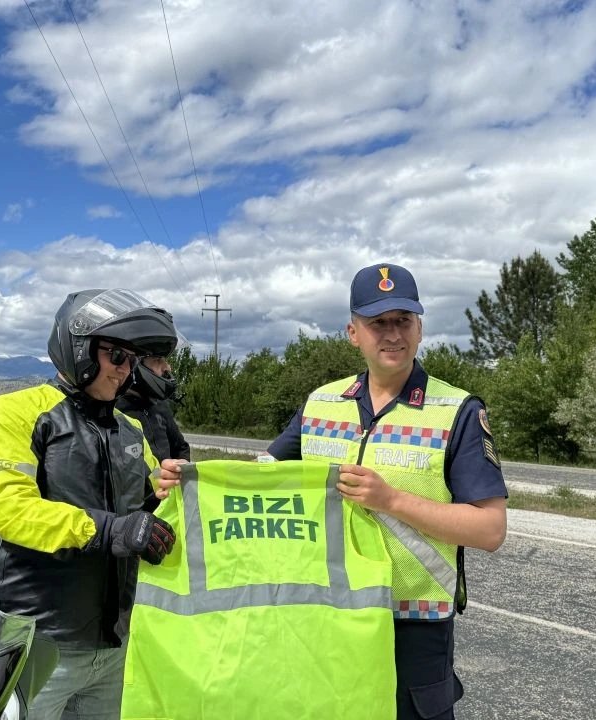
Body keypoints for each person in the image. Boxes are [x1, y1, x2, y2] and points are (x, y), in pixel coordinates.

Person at [159, 262, 507, 720]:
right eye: (377, 322)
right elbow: (260, 478)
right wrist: (191, 480)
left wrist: (391, 500)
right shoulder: (321, 404)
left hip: (412, 624)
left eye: (403, 320)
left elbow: (490, 529)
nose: (393, 334)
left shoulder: (457, 410)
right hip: (327, 617)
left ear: (420, 328)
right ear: (353, 333)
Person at [0, 288, 181, 720]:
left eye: (132, 360)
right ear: (80, 348)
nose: (125, 370)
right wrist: (109, 529)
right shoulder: (13, 413)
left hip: (114, 645)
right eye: (116, 356)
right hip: (35, 641)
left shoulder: (129, 429)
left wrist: (172, 488)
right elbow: (8, 510)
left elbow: (149, 503)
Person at [116, 355, 191, 464]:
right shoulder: (115, 410)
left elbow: (181, 447)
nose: (167, 367)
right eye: (157, 359)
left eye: (165, 360)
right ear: (135, 364)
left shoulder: (160, 405)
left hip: (167, 475)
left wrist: (181, 464)